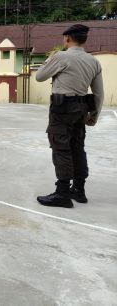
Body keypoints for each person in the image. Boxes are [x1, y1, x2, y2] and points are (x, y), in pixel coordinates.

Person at [35, 24, 103, 208]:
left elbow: (39, 76)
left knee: (61, 147)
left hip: (62, 108)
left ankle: (62, 193)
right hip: (81, 109)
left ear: (67, 38)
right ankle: (79, 190)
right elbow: (98, 93)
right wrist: (95, 114)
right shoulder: (93, 61)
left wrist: (49, 59)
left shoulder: (61, 56)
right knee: (77, 147)